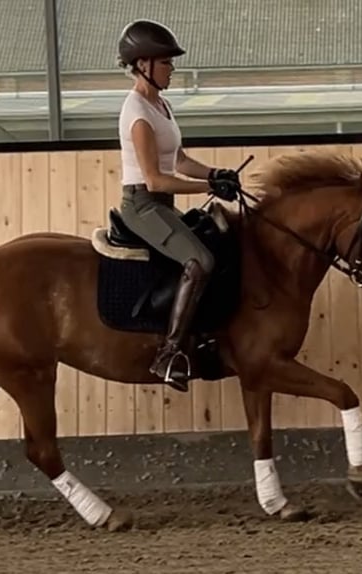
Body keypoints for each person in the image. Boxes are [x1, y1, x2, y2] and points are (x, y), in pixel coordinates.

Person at [116, 19, 241, 393]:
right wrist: (209, 186)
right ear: (143, 65)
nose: (172, 68)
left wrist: (217, 172)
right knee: (199, 261)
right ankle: (168, 354)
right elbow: (155, 178)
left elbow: (180, 160)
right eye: (166, 63)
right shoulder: (137, 113)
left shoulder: (161, 105)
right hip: (142, 204)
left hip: (162, 203)